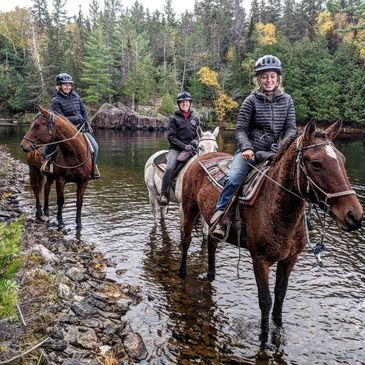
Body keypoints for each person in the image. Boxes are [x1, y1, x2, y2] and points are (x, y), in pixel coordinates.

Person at [211, 54, 297, 239]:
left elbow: (291, 129)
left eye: (272, 76)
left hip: (276, 152)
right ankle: (221, 216)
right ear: (258, 79)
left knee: (297, 180)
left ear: (278, 78)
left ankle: (303, 224)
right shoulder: (251, 100)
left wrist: (283, 148)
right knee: (234, 178)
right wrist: (246, 148)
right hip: (251, 152)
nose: (268, 80)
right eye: (264, 76)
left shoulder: (287, 100)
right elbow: (240, 129)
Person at [45, 73, 100, 179]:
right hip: (65, 130)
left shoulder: (75, 95)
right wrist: (77, 118)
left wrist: (87, 121)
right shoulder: (56, 101)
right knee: (51, 143)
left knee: (96, 147)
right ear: (59, 86)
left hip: (80, 128)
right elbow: (60, 120)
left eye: (69, 85)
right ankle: (47, 162)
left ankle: (92, 167)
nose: (67, 87)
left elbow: (83, 111)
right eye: (65, 85)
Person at [159, 91, 200, 205]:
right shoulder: (173, 119)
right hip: (176, 149)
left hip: (193, 149)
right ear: (179, 104)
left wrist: (195, 141)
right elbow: (171, 137)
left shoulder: (195, 119)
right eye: (182, 102)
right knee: (169, 168)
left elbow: (198, 134)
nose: (185, 104)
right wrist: (184, 146)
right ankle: (164, 192)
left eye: (187, 102)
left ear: (190, 103)